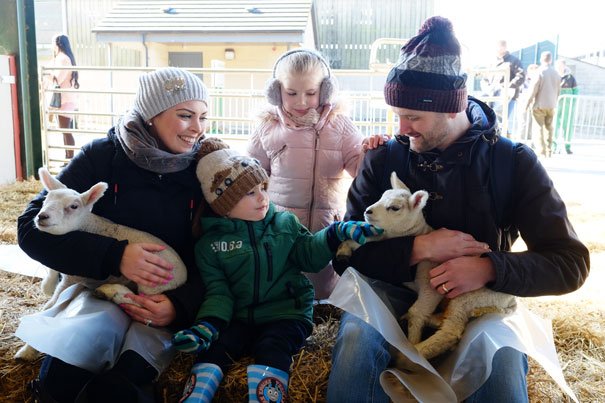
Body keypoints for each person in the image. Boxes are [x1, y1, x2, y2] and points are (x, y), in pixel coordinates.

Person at [327, 16, 589, 403]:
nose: (402, 128)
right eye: (397, 114)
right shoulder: (383, 158)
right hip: (393, 291)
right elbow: (343, 252)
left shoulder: (512, 163)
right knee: (354, 343)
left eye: (413, 116)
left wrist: (490, 268)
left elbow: (571, 264)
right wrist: (420, 250)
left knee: (501, 373)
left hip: (480, 300)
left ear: (453, 107)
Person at [17, 67, 209, 402]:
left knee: (120, 390)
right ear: (151, 114)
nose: (198, 128)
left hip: (161, 306)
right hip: (98, 294)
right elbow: (30, 228)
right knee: (59, 382)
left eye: (203, 117)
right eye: (185, 115)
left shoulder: (205, 169)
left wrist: (180, 305)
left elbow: (226, 253)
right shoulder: (101, 157)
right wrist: (114, 255)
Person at [171, 142, 380, 402]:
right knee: (218, 347)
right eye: (249, 193)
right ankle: (195, 397)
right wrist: (207, 326)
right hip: (239, 315)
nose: (262, 198)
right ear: (222, 204)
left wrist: (335, 233)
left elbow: (309, 256)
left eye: (263, 188)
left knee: (273, 346)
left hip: (286, 312)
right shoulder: (209, 246)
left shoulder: (285, 223)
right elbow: (219, 292)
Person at [247, 48, 385, 300]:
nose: (301, 102)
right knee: (281, 284)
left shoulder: (340, 126)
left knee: (323, 287)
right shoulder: (268, 128)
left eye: (311, 93)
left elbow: (358, 169)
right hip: (280, 227)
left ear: (325, 90)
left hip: (325, 225)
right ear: (276, 91)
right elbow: (252, 177)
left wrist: (370, 151)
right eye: (291, 93)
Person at [49, 34, 80, 159]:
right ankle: (68, 157)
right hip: (66, 99)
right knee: (64, 130)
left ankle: (70, 159)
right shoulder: (67, 58)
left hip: (64, 100)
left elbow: (58, 78)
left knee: (66, 130)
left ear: (57, 44)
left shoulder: (62, 59)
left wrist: (47, 74)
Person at [525, 51, 561, 157]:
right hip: (552, 104)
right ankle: (549, 150)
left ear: (541, 59)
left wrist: (527, 104)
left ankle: (541, 151)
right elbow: (558, 90)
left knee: (538, 128)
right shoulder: (556, 73)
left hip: (539, 104)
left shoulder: (539, 71)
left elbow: (533, 89)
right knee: (549, 128)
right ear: (551, 60)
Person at [494, 39, 526, 136]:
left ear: (505, 47)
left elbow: (521, 76)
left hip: (508, 96)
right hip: (494, 95)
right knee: (495, 119)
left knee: (503, 119)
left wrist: (508, 86)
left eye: (502, 45)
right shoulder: (493, 61)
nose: (500, 48)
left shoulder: (514, 60)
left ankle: (506, 142)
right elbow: (486, 78)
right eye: (499, 46)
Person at [555, 59, 579, 154]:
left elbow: (576, 92)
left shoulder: (571, 78)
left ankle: (567, 146)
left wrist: (572, 103)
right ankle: (554, 146)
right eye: (558, 65)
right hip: (556, 105)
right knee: (555, 126)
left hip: (568, 106)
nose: (560, 67)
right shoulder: (554, 76)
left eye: (561, 65)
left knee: (567, 126)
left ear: (565, 66)